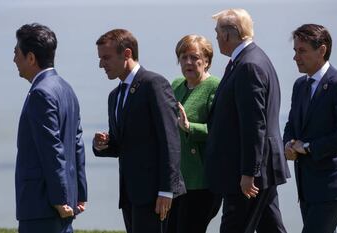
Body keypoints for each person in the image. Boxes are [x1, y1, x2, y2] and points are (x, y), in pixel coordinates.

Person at [204, 9, 290, 233]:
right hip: (259, 167)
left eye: (217, 33)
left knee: (234, 227)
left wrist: (248, 173)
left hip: (248, 172)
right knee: (270, 227)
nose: (216, 38)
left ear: (227, 35)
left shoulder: (248, 65)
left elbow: (254, 124)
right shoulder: (251, 58)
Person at [92, 28, 186, 233]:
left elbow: (170, 139)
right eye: (100, 58)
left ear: (126, 54)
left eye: (106, 58)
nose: (101, 64)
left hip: (156, 195)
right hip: (130, 195)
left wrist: (166, 190)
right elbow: (120, 144)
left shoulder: (154, 84)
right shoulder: (114, 96)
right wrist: (101, 145)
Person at [283, 23, 337, 233]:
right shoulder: (300, 85)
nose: (295, 57)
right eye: (295, 51)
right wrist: (288, 144)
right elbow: (292, 124)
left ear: (322, 50)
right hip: (307, 184)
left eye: (302, 51)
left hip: (333, 184)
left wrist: (309, 147)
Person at [14, 23, 87, 233]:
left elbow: (51, 149)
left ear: (31, 58)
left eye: (16, 53)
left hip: (42, 204)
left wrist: (58, 199)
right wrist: (79, 192)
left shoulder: (40, 93)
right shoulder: (66, 88)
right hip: (63, 202)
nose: (14, 60)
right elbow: (77, 144)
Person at [167, 35, 221, 233]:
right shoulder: (176, 85)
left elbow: (221, 130)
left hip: (202, 180)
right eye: (183, 57)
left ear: (206, 61)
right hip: (177, 178)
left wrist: (190, 127)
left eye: (194, 57)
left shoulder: (215, 86)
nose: (188, 62)